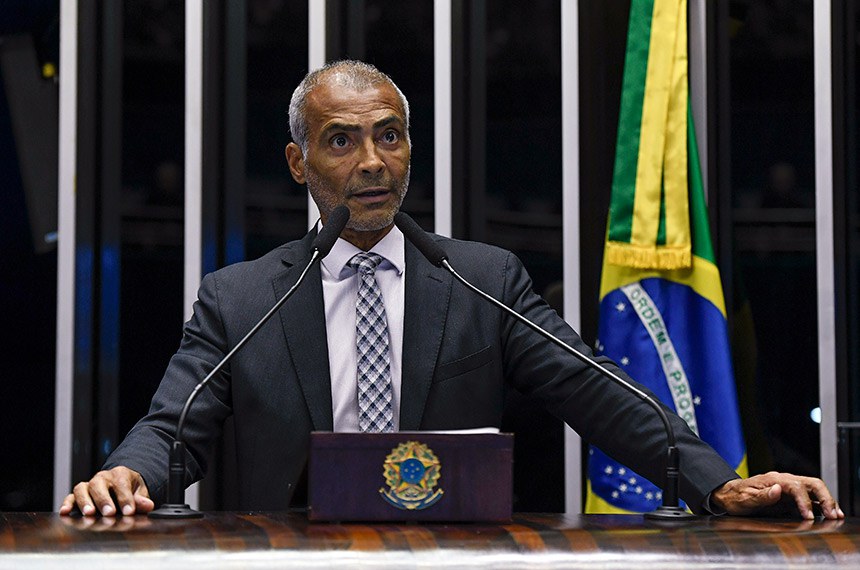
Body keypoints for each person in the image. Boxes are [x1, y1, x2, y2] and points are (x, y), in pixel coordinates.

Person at [60, 60, 842, 521]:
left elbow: (599, 392)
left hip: (452, 554)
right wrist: (126, 476)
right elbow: (174, 429)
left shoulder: (482, 280)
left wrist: (720, 484)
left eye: (389, 135)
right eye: (342, 140)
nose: (373, 162)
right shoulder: (240, 297)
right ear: (299, 164)